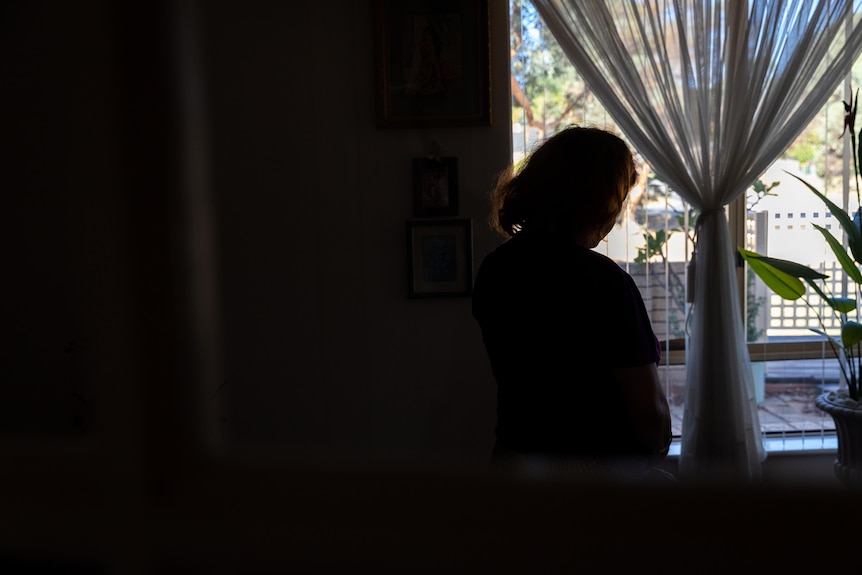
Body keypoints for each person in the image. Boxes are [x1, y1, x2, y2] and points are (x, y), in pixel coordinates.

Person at [472, 126, 672, 478]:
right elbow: (649, 412)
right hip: (590, 476)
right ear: (601, 201)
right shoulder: (605, 282)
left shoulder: (496, 268)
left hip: (512, 465)